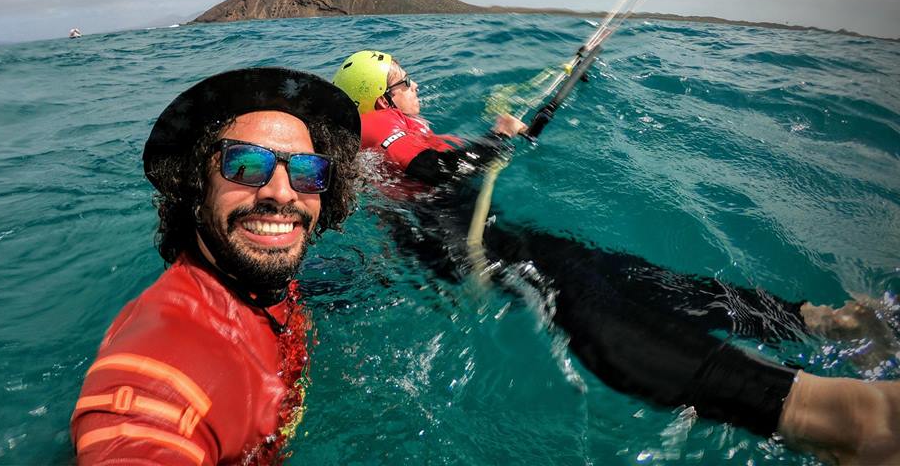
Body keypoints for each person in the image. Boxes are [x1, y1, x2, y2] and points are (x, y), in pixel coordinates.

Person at [333, 49, 900, 464]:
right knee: (594, 302)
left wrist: (493, 139)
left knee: (627, 278)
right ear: (381, 96)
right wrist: (497, 142)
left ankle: (818, 324)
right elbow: (435, 170)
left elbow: (431, 166)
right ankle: (833, 412)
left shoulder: (397, 128)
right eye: (405, 80)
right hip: (471, 244)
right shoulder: (376, 124)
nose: (416, 87)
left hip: (487, 230)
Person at [70, 67, 361, 465]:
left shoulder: (261, 282)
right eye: (244, 164)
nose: (282, 192)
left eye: (306, 170)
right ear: (195, 185)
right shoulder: (162, 366)